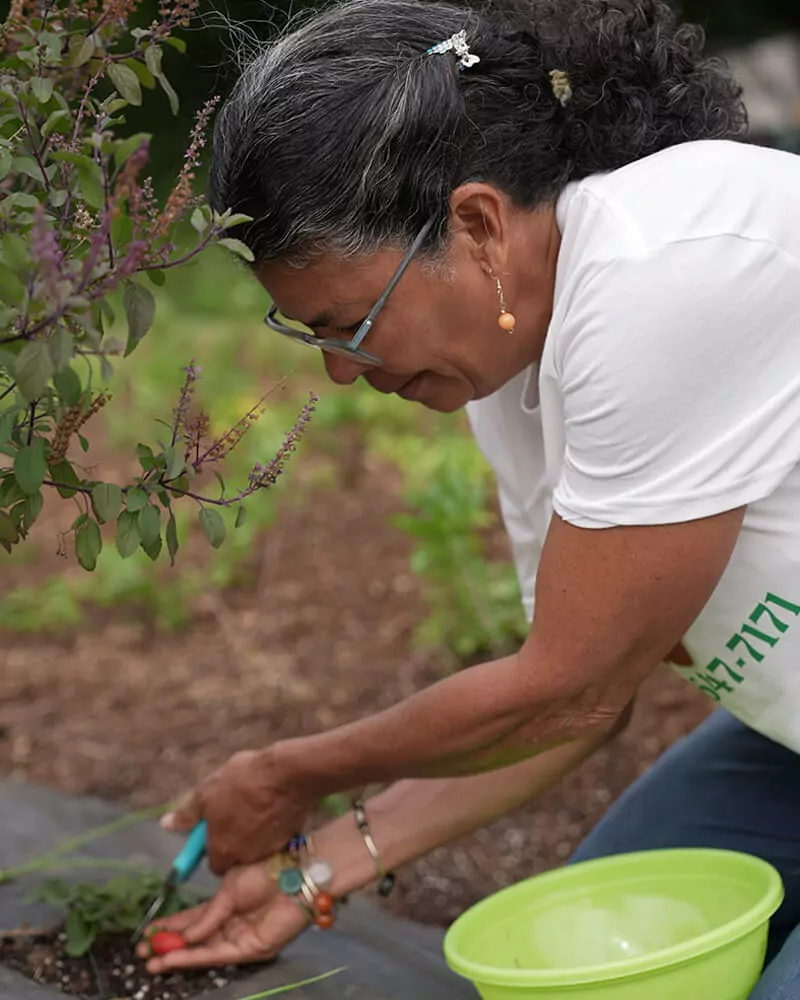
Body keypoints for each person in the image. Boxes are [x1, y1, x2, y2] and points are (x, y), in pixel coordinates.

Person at [138, 1, 800, 995]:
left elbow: (567, 685)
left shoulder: (662, 271)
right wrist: (310, 871)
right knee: (594, 962)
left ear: (478, 225)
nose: (337, 372)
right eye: (309, 336)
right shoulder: (512, 365)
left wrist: (290, 772)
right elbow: (577, 704)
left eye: (349, 323)